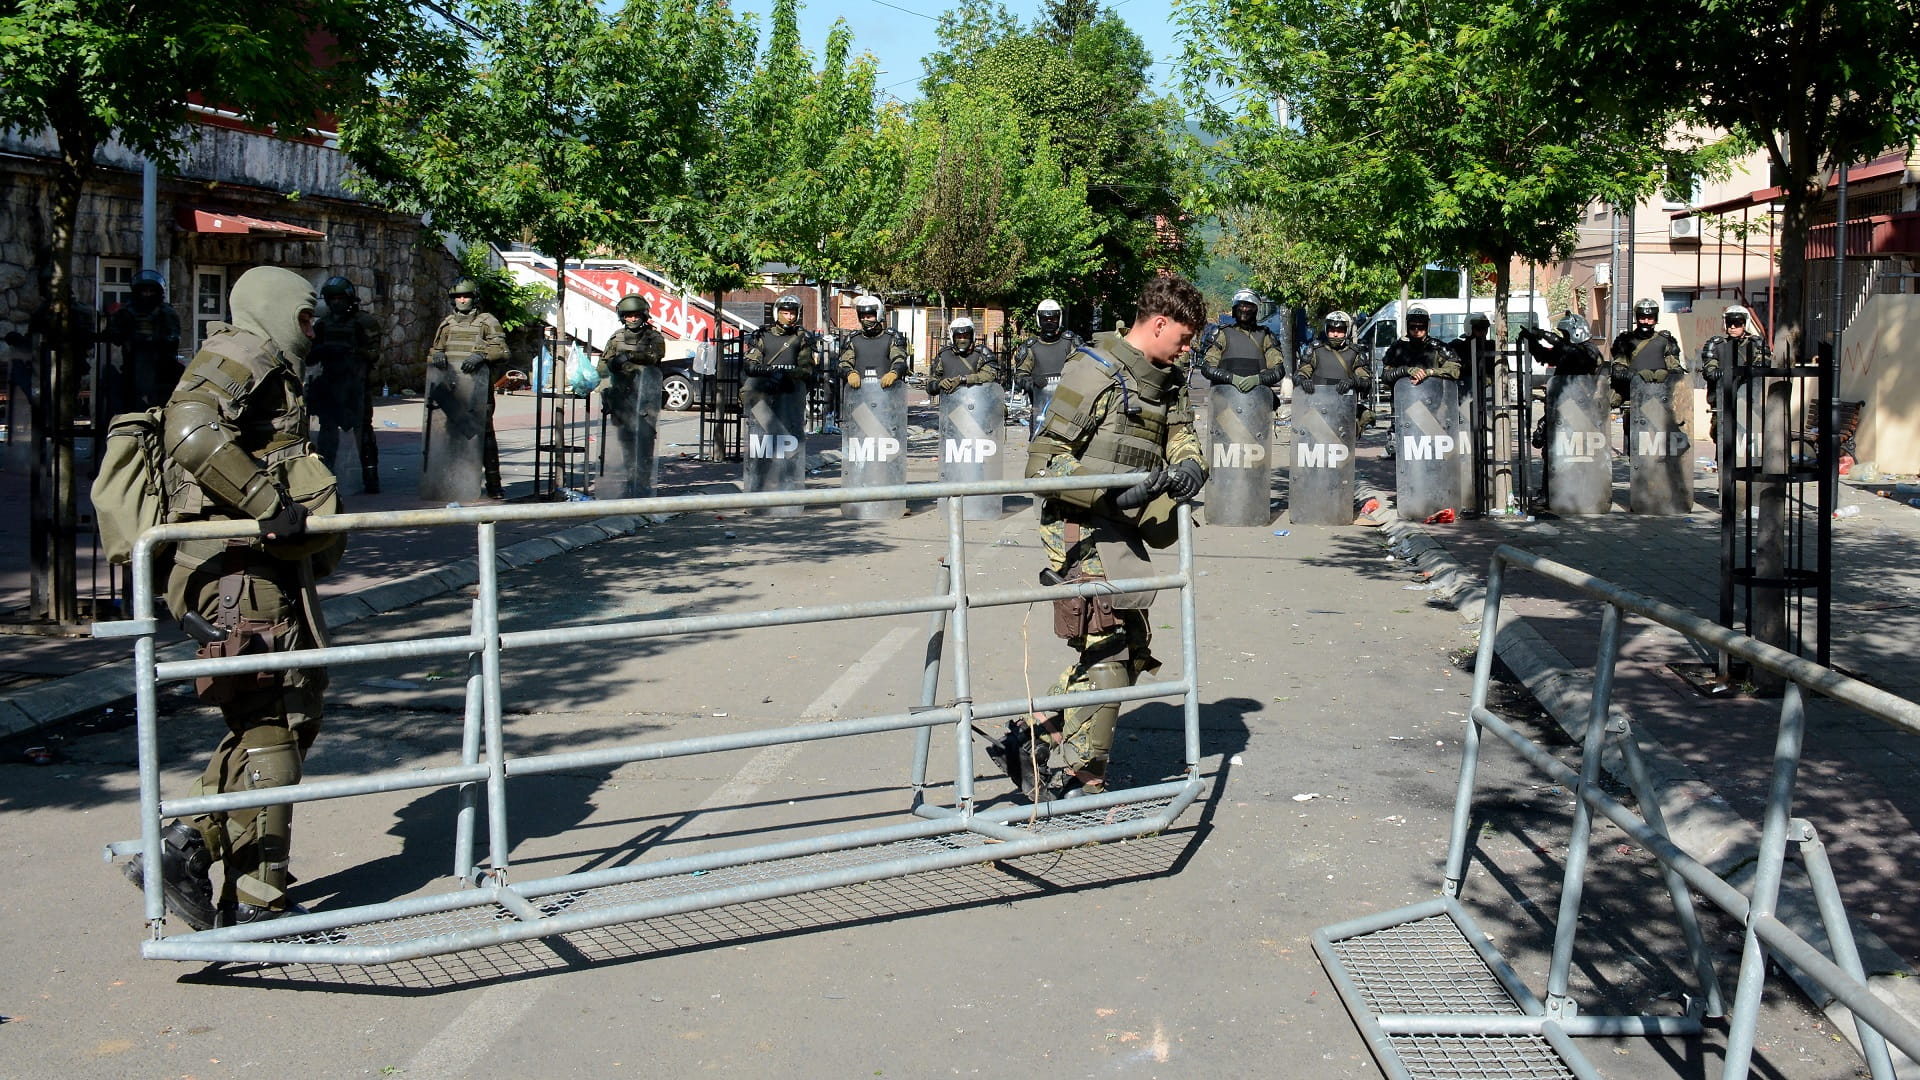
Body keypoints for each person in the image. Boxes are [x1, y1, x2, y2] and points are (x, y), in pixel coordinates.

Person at [128, 265, 345, 929]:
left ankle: (232, 877)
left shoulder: (268, 360)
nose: (314, 329)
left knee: (287, 714)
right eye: (306, 317)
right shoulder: (241, 351)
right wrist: (264, 501)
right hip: (234, 571)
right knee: (270, 723)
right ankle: (211, 865)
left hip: (260, 568)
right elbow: (191, 429)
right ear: (277, 310)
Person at [989, 276, 1210, 800]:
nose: (1187, 349)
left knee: (1131, 654)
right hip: (1080, 524)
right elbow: (1043, 462)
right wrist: (1116, 493)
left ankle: (1032, 733)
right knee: (1109, 654)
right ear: (1158, 323)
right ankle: (1088, 786)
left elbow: (1182, 436)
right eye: (1182, 337)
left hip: (1125, 529)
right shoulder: (1095, 370)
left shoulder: (1167, 378)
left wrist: (1189, 468)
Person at [429, 278, 510, 498]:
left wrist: (481, 356)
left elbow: (503, 352)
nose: (462, 300)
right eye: (458, 297)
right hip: (453, 390)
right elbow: (435, 350)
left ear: (475, 298)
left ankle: (494, 485)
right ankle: (455, 482)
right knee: (452, 436)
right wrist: (437, 356)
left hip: (478, 390)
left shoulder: (487, 322)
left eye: (465, 296)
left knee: (484, 435)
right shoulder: (447, 324)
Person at [1520, 311, 1607, 505]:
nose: (1564, 338)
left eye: (1566, 334)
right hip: (1560, 405)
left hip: (1582, 409)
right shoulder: (1567, 349)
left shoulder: (1589, 350)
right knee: (1550, 448)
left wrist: (1551, 337)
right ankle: (1548, 492)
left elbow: (1579, 358)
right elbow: (1544, 356)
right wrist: (1533, 341)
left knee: (1579, 451)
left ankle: (1583, 489)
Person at [307, 275, 384, 492]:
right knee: (327, 433)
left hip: (356, 387)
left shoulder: (364, 322)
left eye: (340, 298)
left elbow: (375, 354)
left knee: (363, 433)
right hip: (330, 386)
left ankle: (370, 477)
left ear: (349, 299)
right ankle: (326, 474)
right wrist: (320, 351)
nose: (336, 303)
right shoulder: (323, 324)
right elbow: (311, 357)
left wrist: (352, 352)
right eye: (332, 299)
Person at [1378, 307, 1461, 458]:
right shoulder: (1397, 349)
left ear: (1427, 326)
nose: (1417, 330)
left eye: (1421, 326)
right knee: (1402, 458)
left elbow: (1455, 370)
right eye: (1413, 327)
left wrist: (1430, 372)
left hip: (1433, 410)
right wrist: (1405, 370)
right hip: (1403, 411)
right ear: (1407, 326)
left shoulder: (1438, 347)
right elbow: (1385, 375)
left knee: (1434, 456)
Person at [104, 269, 183, 416]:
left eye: (150, 291)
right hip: (132, 364)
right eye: (144, 291)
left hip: (162, 367)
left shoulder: (166, 311)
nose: (147, 295)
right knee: (130, 403)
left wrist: (155, 341)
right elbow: (113, 334)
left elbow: (174, 337)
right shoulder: (127, 311)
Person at [1194, 288, 1287, 394]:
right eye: (1241, 305)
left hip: (1258, 401)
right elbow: (1208, 367)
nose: (1244, 309)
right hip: (1225, 401)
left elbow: (1278, 370)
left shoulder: (1266, 336)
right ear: (1235, 308)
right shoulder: (1222, 334)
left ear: (1256, 310)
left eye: (1248, 306)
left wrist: (1258, 379)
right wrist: (1231, 378)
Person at [1698, 304, 1768, 444]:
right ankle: (1722, 465)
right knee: (1721, 437)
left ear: (1745, 324)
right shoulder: (1716, 345)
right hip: (1723, 401)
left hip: (1748, 401)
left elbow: (1763, 366)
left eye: (1737, 324)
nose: (1733, 327)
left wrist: (1746, 371)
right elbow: (1709, 369)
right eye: (1730, 323)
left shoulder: (1755, 344)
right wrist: (1721, 372)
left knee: (1749, 440)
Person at [1010, 298, 1081, 429]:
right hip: (1041, 411)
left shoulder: (1071, 343)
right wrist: (1030, 381)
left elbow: (1085, 369)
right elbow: (1019, 375)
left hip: (1069, 409)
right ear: (1039, 320)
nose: (1049, 322)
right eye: (1045, 319)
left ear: (1058, 319)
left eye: (1053, 319)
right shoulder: (1030, 347)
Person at [1295, 309, 1374, 424]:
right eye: (1332, 330)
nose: (1335, 334)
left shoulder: (1355, 353)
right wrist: (1303, 381)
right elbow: (1302, 371)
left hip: (1344, 412)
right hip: (1317, 411)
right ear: (1327, 330)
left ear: (1346, 331)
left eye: (1339, 330)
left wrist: (1353, 381)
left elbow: (1366, 380)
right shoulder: (1316, 351)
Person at [742, 293, 817, 392]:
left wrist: (785, 373)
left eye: (792, 313)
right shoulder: (763, 336)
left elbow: (807, 369)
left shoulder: (803, 337)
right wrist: (770, 371)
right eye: (785, 314)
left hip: (792, 392)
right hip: (764, 392)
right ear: (777, 313)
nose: (789, 317)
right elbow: (750, 366)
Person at [835, 296, 910, 390]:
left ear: (878, 315)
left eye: (869, 317)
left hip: (887, 395)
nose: (865, 320)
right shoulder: (852, 339)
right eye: (862, 317)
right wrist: (850, 373)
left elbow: (899, 359)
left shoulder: (892, 338)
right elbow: (844, 362)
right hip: (859, 396)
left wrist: (894, 373)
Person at [928, 317, 1002, 397]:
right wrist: (939, 384)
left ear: (972, 336)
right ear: (953, 337)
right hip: (951, 405)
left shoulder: (983, 353)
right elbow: (930, 384)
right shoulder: (943, 355)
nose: (962, 340)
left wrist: (963, 379)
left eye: (966, 336)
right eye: (959, 337)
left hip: (979, 403)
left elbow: (989, 376)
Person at [599, 294, 666, 379]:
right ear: (623, 317)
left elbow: (655, 357)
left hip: (647, 385)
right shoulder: (617, 337)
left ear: (643, 316)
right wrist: (611, 365)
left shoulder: (654, 337)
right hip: (620, 386)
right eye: (629, 316)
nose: (633, 319)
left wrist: (629, 356)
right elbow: (603, 365)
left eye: (637, 315)